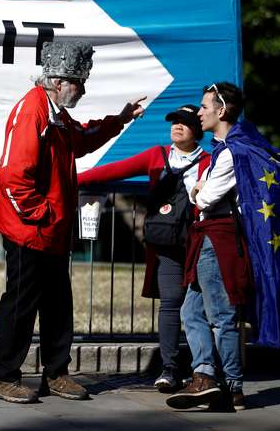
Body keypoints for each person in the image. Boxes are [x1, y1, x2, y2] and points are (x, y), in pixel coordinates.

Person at [0, 40, 146, 404]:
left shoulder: (54, 114)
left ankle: (56, 373)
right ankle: (3, 377)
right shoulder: (33, 112)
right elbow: (14, 177)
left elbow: (81, 139)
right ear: (58, 82)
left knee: (58, 304)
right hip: (31, 231)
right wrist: (42, 214)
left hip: (51, 230)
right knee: (21, 304)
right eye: (79, 82)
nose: (83, 89)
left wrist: (117, 121)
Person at [77, 104, 211, 392]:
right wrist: (70, 181)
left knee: (203, 309)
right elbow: (112, 171)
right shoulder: (157, 155)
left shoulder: (211, 161)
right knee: (171, 304)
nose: (177, 126)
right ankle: (170, 368)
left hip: (200, 244)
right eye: (174, 121)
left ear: (197, 130)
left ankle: (206, 372)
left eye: (185, 122)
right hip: (166, 245)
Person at [165, 82, 252, 411]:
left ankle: (232, 386)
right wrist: (200, 187)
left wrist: (198, 189)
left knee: (221, 314)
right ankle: (204, 375)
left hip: (219, 236)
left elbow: (208, 197)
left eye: (204, 107)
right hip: (208, 236)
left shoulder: (232, 151)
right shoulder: (222, 149)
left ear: (222, 111)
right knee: (191, 310)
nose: (198, 113)